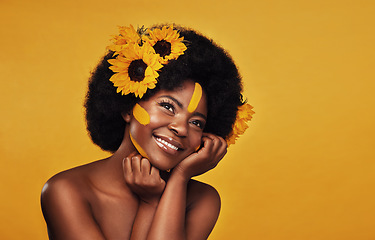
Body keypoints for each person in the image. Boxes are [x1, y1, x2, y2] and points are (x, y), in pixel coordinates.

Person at [41, 24, 254, 240]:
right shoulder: (66, 191)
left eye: (197, 123)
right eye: (168, 107)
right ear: (127, 107)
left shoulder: (202, 199)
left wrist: (178, 179)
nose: (181, 128)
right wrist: (149, 203)